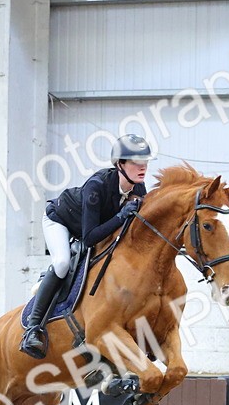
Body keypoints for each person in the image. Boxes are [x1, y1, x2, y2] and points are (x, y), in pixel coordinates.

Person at [19, 133, 153, 358]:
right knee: (62, 263)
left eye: (145, 162)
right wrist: (121, 216)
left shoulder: (138, 189)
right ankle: (33, 328)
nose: (143, 167)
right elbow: (90, 237)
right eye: (136, 162)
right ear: (119, 164)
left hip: (89, 227)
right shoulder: (96, 186)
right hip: (60, 220)